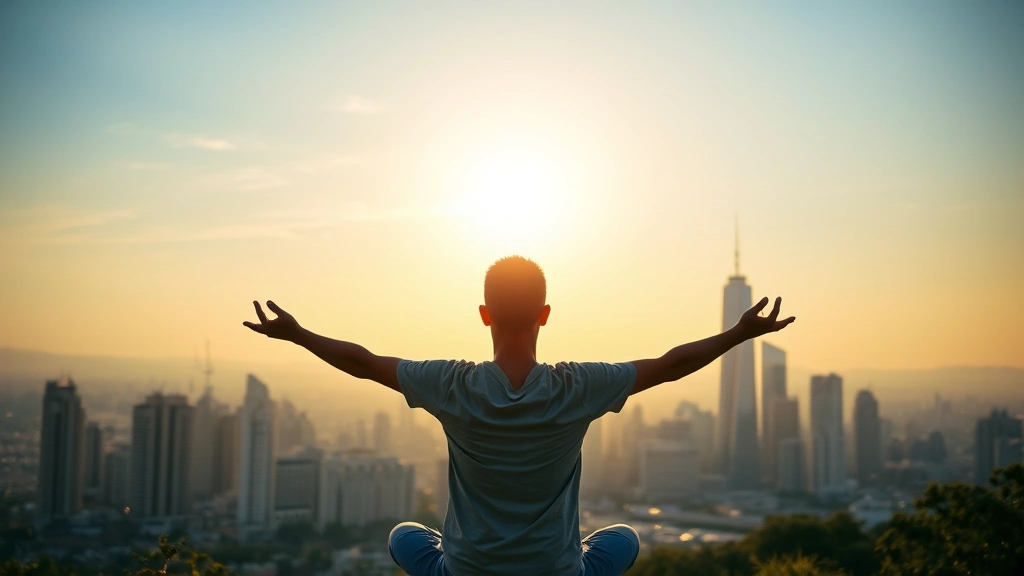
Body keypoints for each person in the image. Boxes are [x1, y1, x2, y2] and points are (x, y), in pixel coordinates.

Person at [243, 256, 794, 576]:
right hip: (554, 573)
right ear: (546, 315)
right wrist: (740, 333)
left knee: (404, 535)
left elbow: (363, 364)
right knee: (623, 538)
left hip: (465, 572)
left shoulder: (451, 385)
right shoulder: (578, 388)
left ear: (483, 314)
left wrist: (296, 334)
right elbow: (670, 366)